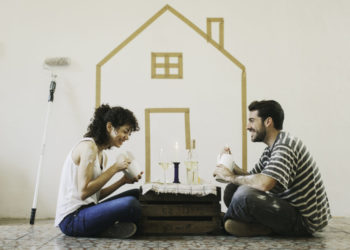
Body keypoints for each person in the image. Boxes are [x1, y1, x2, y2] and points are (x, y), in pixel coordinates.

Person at [213, 100, 331, 237]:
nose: (247, 126)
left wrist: (230, 177)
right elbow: (252, 177)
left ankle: (225, 222)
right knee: (232, 189)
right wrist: (230, 165)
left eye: (252, 120)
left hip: (304, 221)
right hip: (287, 210)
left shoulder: (285, 146)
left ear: (268, 122)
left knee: (243, 194)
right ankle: (259, 227)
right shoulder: (272, 148)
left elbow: (264, 183)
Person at [55, 104, 143, 238]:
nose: (127, 137)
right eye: (125, 131)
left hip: (88, 211)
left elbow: (95, 195)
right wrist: (115, 168)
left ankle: (103, 228)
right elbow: (84, 193)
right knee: (131, 204)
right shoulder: (88, 148)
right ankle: (105, 228)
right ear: (109, 127)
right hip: (71, 220)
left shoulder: (102, 155)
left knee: (137, 194)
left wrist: (122, 181)